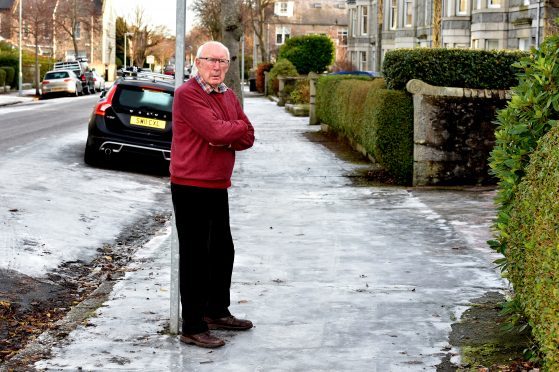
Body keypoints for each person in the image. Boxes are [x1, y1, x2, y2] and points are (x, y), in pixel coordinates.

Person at [170, 41, 255, 349]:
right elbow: (217, 133)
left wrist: (224, 133)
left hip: (218, 184)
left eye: (223, 62)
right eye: (211, 61)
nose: (217, 67)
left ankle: (216, 311)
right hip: (190, 185)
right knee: (195, 257)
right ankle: (192, 326)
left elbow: (248, 135)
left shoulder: (229, 96)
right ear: (198, 62)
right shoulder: (187, 94)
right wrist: (225, 133)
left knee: (222, 251)